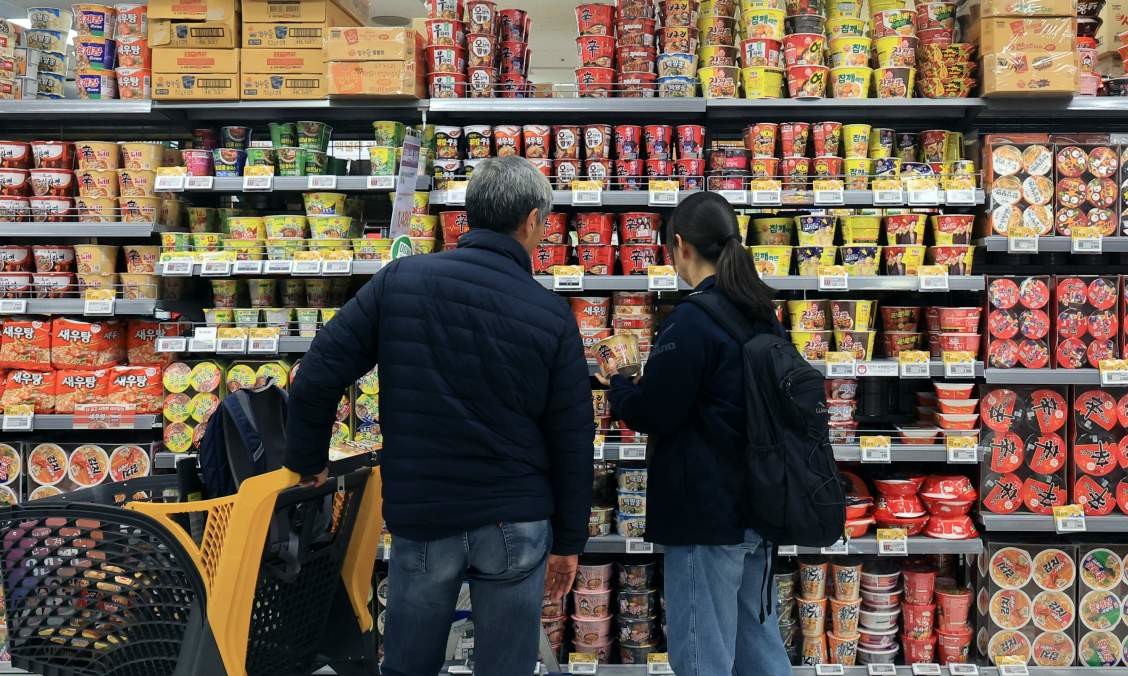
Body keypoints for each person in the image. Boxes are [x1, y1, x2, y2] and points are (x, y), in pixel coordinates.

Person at [285, 155, 594, 676]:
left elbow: (315, 374)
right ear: (532, 222)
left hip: (425, 514)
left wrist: (309, 460)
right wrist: (569, 541)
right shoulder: (550, 316)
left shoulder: (399, 282)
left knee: (409, 666)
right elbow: (572, 440)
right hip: (514, 518)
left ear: (470, 216)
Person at [603, 192, 793, 676]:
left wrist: (620, 383)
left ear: (681, 245)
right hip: (760, 508)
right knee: (758, 650)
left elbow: (656, 413)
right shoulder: (762, 314)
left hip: (706, 515)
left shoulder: (691, 321)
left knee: (701, 657)